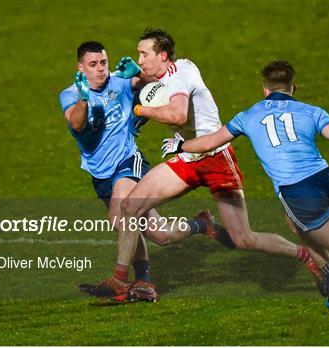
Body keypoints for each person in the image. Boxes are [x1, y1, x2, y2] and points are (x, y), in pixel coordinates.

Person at [161, 60, 329, 320]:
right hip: (325, 181)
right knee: (294, 222)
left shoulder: (249, 116)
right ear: (293, 88)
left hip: (299, 192)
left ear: (264, 89)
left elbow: (209, 142)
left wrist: (179, 147)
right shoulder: (312, 111)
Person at [96, 29, 328, 303]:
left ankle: (307, 257)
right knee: (129, 206)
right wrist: (139, 76)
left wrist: (140, 110)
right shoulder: (174, 69)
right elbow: (159, 79)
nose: (140, 58)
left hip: (217, 159)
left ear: (163, 55)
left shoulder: (181, 76)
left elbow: (179, 114)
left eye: (144, 54)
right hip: (188, 158)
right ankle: (121, 279)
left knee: (244, 239)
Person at [59, 41, 231, 303]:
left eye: (103, 63)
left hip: (128, 163)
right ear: (80, 67)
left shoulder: (120, 82)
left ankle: (126, 281)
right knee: (159, 234)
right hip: (100, 175)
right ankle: (202, 224)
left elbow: (161, 84)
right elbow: (77, 123)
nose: (101, 69)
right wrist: (84, 98)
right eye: (93, 65)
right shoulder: (71, 94)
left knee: (120, 217)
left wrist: (140, 75)